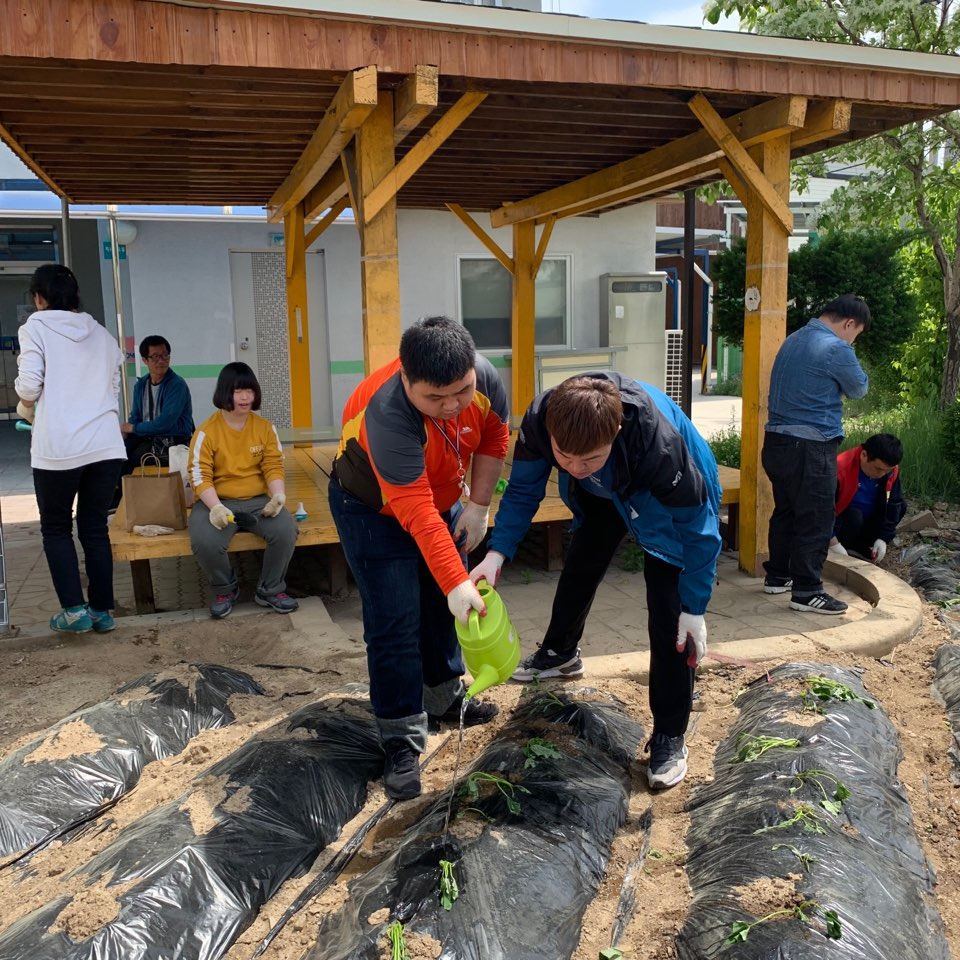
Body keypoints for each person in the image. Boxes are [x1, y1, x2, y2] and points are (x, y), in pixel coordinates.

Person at [470, 374, 722, 790]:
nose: (573, 467)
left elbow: (700, 534)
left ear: (616, 432)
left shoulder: (661, 451)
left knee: (669, 615)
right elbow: (522, 491)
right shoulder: (542, 421)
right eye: (564, 457)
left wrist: (695, 607)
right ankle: (560, 653)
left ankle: (670, 735)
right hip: (606, 492)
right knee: (583, 559)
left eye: (588, 459)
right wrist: (497, 553)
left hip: (664, 504)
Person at [329, 316, 509, 801]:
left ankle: (443, 696)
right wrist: (456, 580)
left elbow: (494, 438)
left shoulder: (486, 378)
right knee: (394, 619)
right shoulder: (387, 413)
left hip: (440, 496)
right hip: (373, 506)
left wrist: (479, 505)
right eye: (436, 397)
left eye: (462, 391)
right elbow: (415, 511)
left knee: (437, 606)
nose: (452, 406)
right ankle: (401, 740)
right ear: (405, 378)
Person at [14, 264, 126, 635]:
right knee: (94, 528)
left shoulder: (36, 328)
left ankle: (74, 611)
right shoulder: (103, 336)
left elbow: (29, 387)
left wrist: (31, 405)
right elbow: (113, 390)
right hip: (106, 445)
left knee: (57, 529)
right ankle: (102, 611)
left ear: (39, 298)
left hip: (59, 447)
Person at [762, 294, 870, 615]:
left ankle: (778, 576)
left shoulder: (793, 339)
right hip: (810, 447)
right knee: (816, 517)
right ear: (849, 323)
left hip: (776, 443)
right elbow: (859, 388)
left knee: (786, 511)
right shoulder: (836, 348)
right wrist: (848, 352)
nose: (853, 339)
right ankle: (808, 591)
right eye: (856, 334)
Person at [187, 362, 299, 620]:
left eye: (249, 390)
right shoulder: (207, 430)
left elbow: (273, 464)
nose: (245, 397)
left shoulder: (264, 427)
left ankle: (270, 589)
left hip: (258, 500)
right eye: (238, 391)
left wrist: (278, 496)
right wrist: (215, 506)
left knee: (285, 530)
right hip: (216, 500)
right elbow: (198, 474)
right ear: (225, 393)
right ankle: (225, 589)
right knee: (205, 541)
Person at [121, 335, 195, 473]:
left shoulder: (177, 385)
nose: (161, 361)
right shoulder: (141, 385)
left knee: (135, 458)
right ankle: (120, 493)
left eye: (165, 355)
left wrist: (133, 428)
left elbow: (165, 423)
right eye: (155, 357)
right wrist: (127, 431)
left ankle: (132, 492)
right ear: (145, 360)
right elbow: (135, 417)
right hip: (147, 437)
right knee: (117, 455)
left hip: (173, 440)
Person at [829, 433, 906, 563]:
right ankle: (845, 546)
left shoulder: (890, 470)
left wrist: (883, 538)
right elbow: (821, 511)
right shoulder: (840, 468)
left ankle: (862, 545)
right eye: (878, 469)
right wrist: (832, 542)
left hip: (868, 522)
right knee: (854, 516)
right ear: (864, 455)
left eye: (887, 471)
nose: (882, 474)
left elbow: (894, 503)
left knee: (901, 506)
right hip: (842, 523)